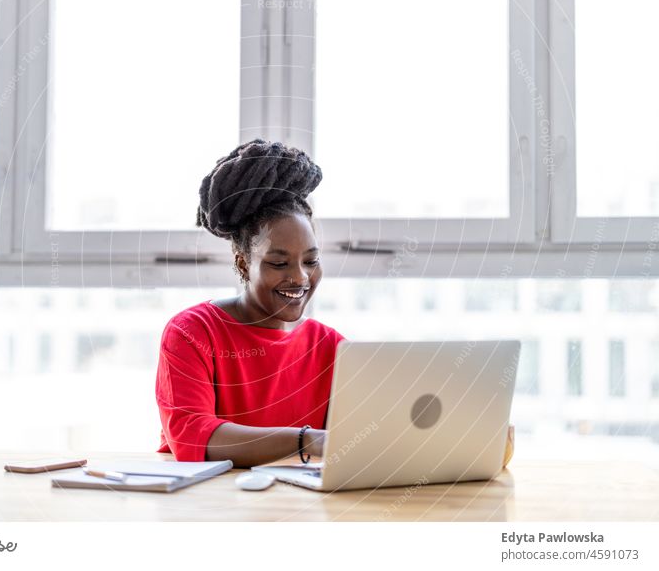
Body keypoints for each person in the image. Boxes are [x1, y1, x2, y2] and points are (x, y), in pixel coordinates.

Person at [154, 139, 515, 470]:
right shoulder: (192, 332)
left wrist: (471, 434)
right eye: (279, 263)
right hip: (212, 509)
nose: (299, 278)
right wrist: (309, 440)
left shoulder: (329, 347)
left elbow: (384, 429)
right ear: (243, 262)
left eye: (310, 261)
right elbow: (191, 436)